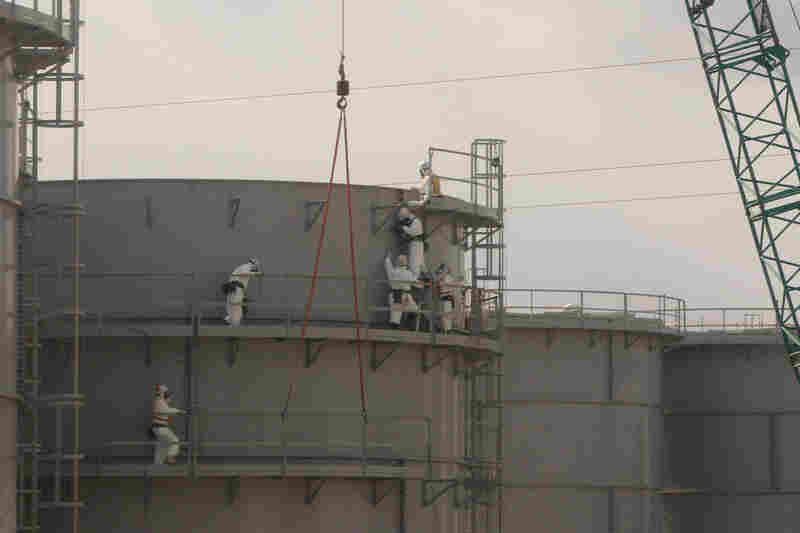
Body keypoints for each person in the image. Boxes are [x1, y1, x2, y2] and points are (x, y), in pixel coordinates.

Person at [150, 384, 188, 465]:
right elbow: (167, 410)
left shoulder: (159, 401)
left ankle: (157, 466)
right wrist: (180, 411)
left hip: (159, 428)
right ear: (162, 393)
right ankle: (170, 456)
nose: (167, 394)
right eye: (166, 393)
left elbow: (167, 404)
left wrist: (179, 411)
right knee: (175, 441)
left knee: (162, 447)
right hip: (160, 428)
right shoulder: (159, 401)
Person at [222, 258, 261, 326]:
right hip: (236, 289)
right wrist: (256, 273)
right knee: (237, 308)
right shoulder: (246, 267)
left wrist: (244, 294)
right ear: (254, 264)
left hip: (235, 289)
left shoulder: (243, 267)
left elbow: (243, 281)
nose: (256, 268)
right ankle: (232, 324)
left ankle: (229, 321)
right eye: (256, 267)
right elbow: (244, 273)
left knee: (233, 308)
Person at [384, 253, 419, 329]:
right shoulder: (407, 273)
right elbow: (415, 282)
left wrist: (387, 259)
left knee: (396, 317)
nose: (405, 261)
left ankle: (403, 327)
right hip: (401, 295)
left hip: (398, 295)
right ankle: (406, 326)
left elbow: (388, 267)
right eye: (405, 260)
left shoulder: (393, 271)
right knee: (398, 316)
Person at [396, 208, 426, 278]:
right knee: (413, 262)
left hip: (417, 245)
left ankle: (414, 279)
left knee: (414, 263)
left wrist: (402, 227)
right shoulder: (413, 221)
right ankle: (414, 278)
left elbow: (411, 232)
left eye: (404, 218)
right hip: (414, 244)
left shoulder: (416, 222)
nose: (405, 221)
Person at [436, 264, 456, 334]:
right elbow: (439, 284)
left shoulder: (449, 277)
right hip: (443, 297)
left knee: (447, 314)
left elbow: (450, 287)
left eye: (445, 269)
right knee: (443, 314)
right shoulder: (441, 277)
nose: (444, 270)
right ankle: (444, 330)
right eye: (443, 269)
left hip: (448, 297)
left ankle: (447, 330)